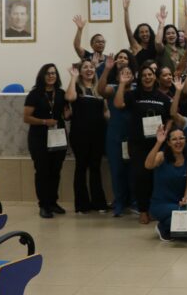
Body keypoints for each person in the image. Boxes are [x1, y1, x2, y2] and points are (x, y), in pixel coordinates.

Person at [114, 64, 172, 224]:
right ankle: (143, 210)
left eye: (150, 74)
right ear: (140, 78)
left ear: (155, 77)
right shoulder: (133, 94)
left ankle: (154, 208)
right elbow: (118, 104)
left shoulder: (163, 98)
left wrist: (166, 133)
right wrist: (122, 84)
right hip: (138, 143)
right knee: (141, 176)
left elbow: (170, 118)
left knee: (156, 177)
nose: (147, 77)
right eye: (144, 75)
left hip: (158, 143)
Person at [23, 64, 68, 218]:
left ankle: (53, 202)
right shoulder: (35, 94)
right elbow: (26, 117)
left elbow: (66, 114)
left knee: (55, 171)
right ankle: (43, 205)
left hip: (58, 137)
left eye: (54, 73)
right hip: (39, 138)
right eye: (48, 73)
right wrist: (44, 122)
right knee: (43, 172)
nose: (51, 76)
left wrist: (68, 113)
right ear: (42, 76)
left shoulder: (61, 93)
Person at [65, 60, 109, 214]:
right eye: (85, 67)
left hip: (98, 134)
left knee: (95, 168)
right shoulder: (76, 87)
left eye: (91, 67)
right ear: (80, 71)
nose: (89, 70)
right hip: (79, 134)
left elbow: (105, 112)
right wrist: (72, 77)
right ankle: (82, 205)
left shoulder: (99, 89)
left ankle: (99, 203)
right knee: (81, 167)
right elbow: (70, 98)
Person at [97, 51, 137, 216]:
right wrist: (107, 69)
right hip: (115, 135)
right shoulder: (113, 88)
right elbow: (100, 90)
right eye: (123, 73)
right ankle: (119, 202)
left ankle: (134, 202)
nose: (126, 76)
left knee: (133, 170)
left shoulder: (137, 90)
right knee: (117, 170)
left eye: (129, 73)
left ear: (134, 76)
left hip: (133, 135)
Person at [144, 126, 187, 242]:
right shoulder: (161, 156)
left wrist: (186, 197)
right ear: (168, 142)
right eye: (174, 139)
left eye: (181, 138)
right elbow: (148, 165)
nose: (178, 142)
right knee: (184, 222)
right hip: (160, 204)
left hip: (179, 204)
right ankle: (163, 228)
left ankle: (165, 226)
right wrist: (158, 143)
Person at [123, 0, 157, 65]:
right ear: (138, 35)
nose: (144, 34)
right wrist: (126, 10)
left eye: (146, 31)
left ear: (150, 33)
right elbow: (128, 30)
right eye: (141, 32)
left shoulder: (155, 46)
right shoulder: (136, 47)